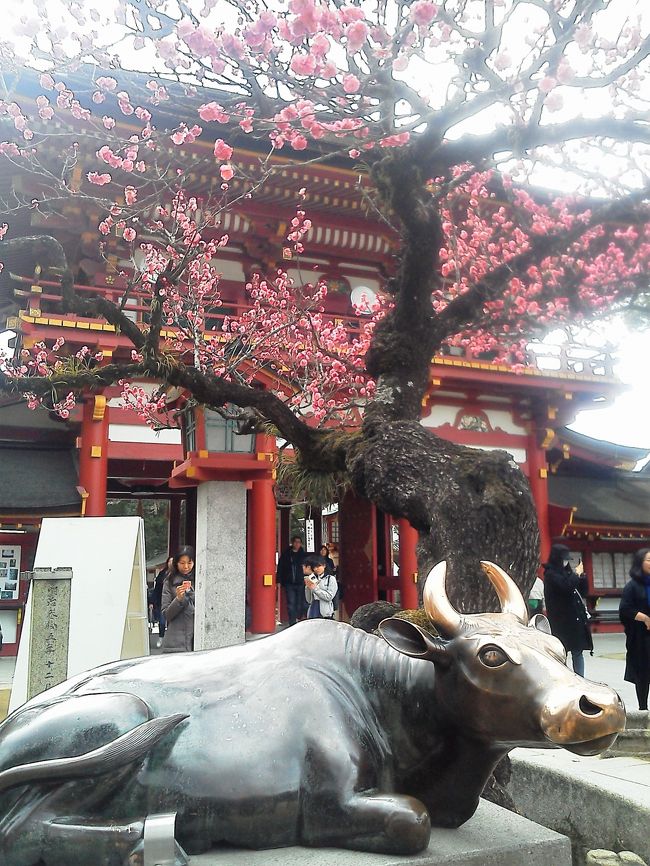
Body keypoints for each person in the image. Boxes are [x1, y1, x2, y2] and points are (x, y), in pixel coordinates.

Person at [543, 543, 592, 677]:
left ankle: (580, 678)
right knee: (562, 652)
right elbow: (566, 587)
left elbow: (582, 591)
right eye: (563, 559)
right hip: (561, 620)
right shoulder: (551, 574)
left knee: (578, 652)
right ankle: (563, 678)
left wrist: (582, 578)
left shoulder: (568, 573)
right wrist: (575, 575)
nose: (565, 562)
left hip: (575, 619)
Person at [619, 547, 650, 711]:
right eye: (649, 560)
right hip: (641, 637)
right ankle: (643, 708)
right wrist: (644, 618)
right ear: (640, 563)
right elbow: (625, 609)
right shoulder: (633, 586)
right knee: (643, 672)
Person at [161, 546, 195, 653]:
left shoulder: (201, 580)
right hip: (176, 644)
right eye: (182, 563)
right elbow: (166, 615)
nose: (186, 567)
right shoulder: (169, 583)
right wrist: (178, 600)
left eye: (189, 563)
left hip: (197, 642)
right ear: (176, 563)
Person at [277, 535, 307, 626]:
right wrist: (279, 580)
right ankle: (292, 622)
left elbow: (307, 568)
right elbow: (281, 567)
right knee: (291, 603)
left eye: (299, 542)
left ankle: (299, 618)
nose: (297, 544)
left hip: (300, 582)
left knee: (299, 603)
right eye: (295, 542)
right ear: (292, 543)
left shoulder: (303, 554)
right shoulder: (286, 554)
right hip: (289, 583)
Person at [303, 554, 338, 620]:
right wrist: (308, 587)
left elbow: (329, 596)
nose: (316, 569)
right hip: (313, 608)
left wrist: (315, 588)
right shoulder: (314, 578)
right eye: (314, 567)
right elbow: (309, 600)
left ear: (324, 566)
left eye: (318, 566)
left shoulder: (330, 579)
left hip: (325, 611)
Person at [153, 555, 173, 641]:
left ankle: (170, 639)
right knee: (162, 621)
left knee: (173, 622)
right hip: (163, 600)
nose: (171, 563)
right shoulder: (162, 574)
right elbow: (156, 589)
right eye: (169, 561)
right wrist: (152, 601)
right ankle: (161, 637)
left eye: (173, 562)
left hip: (175, 600)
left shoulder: (178, 574)